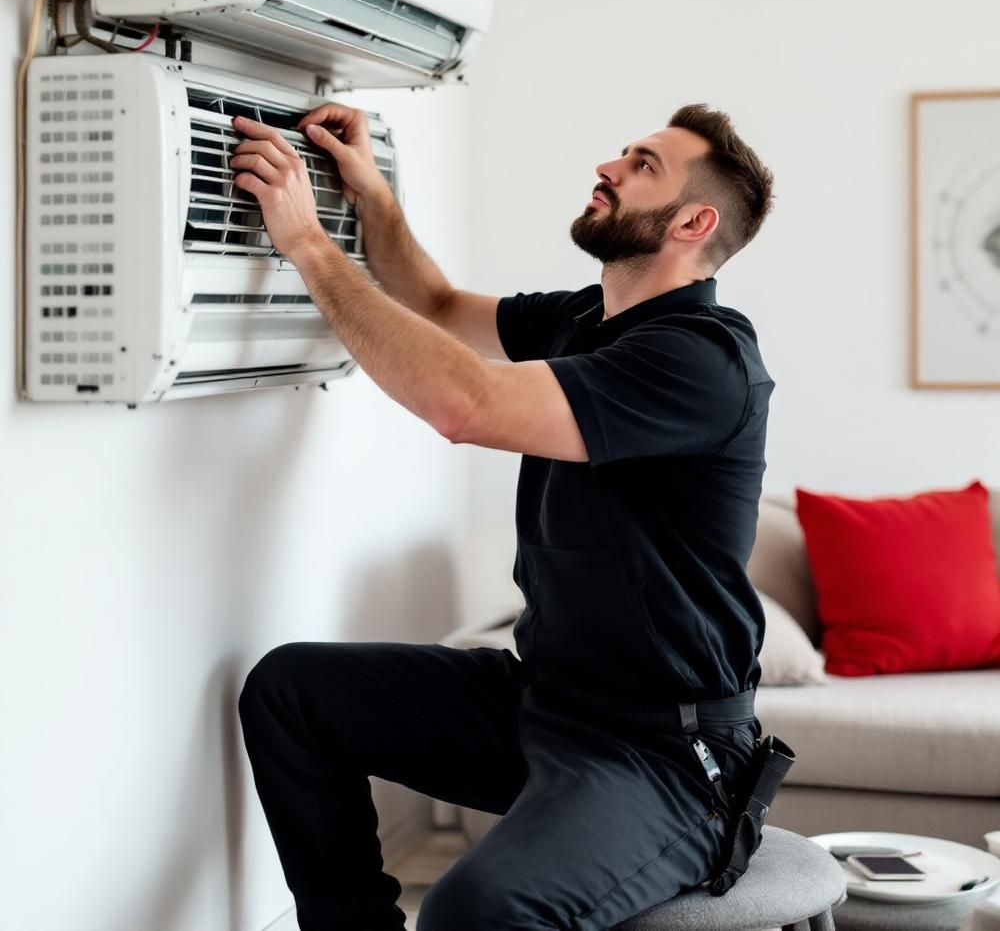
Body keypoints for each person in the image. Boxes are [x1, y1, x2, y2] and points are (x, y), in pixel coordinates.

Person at [234, 99, 777, 931]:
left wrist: (307, 243)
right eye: (623, 152)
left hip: (665, 753)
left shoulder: (701, 360)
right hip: (547, 702)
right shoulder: (581, 321)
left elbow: (463, 402)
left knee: (476, 909)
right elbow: (440, 304)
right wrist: (371, 196)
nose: (608, 166)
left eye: (642, 166)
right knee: (292, 691)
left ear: (692, 221)